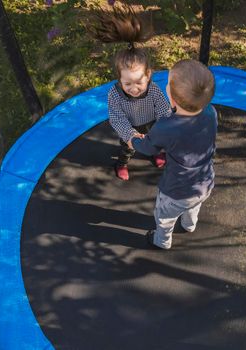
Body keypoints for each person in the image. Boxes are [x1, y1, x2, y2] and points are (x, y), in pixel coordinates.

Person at [129, 59, 217, 249]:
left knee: (164, 218)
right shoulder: (211, 112)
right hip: (205, 182)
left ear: (172, 97)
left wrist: (134, 140)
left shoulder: (167, 127)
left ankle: (162, 241)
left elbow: (148, 148)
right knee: (194, 206)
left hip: (176, 191)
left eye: (168, 84)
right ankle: (189, 225)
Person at [87, 3, 171, 181]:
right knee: (128, 149)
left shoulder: (153, 90)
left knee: (155, 143)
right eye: (127, 84)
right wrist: (130, 135)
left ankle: (154, 154)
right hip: (131, 127)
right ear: (119, 80)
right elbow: (116, 117)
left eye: (139, 82)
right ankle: (122, 163)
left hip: (152, 124)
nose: (134, 88)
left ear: (148, 75)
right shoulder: (115, 94)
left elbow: (164, 110)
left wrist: (164, 126)